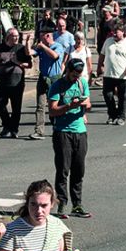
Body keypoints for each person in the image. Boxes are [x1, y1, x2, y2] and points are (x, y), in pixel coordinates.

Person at [48, 57, 93, 218]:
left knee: (78, 169)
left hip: (80, 131)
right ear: (67, 70)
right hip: (62, 132)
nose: (76, 78)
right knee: (63, 169)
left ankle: (77, 205)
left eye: (78, 75)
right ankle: (61, 204)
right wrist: (69, 106)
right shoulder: (57, 86)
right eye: (74, 75)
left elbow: (89, 104)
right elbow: (52, 110)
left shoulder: (82, 83)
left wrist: (84, 105)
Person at [31, 17, 73, 139]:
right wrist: (28, 43)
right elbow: (30, 53)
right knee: (40, 106)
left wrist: (43, 47)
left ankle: (58, 125)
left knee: (55, 104)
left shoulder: (57, 46)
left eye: (42, 35)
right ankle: (39, 130)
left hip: (55, 79)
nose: (41, 37)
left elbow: (55, 56)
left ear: (48, 35)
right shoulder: (41, 47)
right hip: (43, 78)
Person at [98, 19, 126, 126]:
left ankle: (121, 116)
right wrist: (99, 67)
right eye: (113, 32)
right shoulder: (108, 41)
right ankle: (112, 115)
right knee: (107, 95)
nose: (114, 34)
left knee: (123, 97)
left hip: (123, 76)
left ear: (123, 32)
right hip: (109, 74)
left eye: (117, 32)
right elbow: (102, 54)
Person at [0, 27, 28, 138]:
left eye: (17, 36)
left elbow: (29, 64)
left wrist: (19, 63)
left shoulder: (21, 48)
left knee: (16, 107)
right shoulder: (0, 48)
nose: (16, 38)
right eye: (14, 36)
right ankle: (7, 125)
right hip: (2, 82)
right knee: (0, 105)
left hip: (17, 82)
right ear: (8, 37)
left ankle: (14, 129)